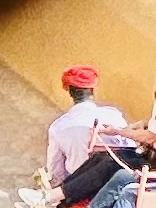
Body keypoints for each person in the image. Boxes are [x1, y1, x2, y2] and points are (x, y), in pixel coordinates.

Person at [44, 64, 129, 193]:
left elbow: (56, 173)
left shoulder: (58, 127)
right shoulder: (113, 116)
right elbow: (130, 148)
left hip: (79, 190)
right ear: (93, 90)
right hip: (117, 184)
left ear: (68, 90)